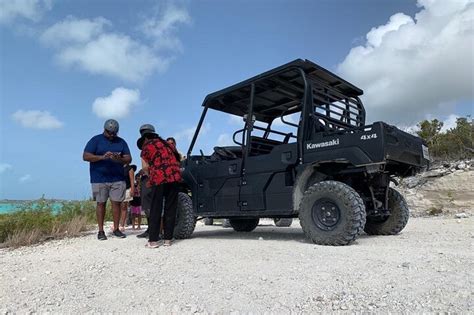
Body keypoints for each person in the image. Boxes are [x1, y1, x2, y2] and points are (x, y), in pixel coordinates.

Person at [83, 119, 131, 240]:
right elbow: (85, 156)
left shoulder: (121, 142)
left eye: (114, 133)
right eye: (109, 133)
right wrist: (102, 157)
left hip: (117, 178)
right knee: (101, 203)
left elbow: (128, 158)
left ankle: (116, 228)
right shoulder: (95, 140)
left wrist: (118, 158)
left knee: (116, 203)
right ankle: (100, 231)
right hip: (99, 178)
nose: (111, 135)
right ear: (104, 130)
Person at [137, 126, 182, 248]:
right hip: (174, 177)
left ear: (145, 138)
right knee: (170, 207)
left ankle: (153, 241)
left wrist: (150, 175)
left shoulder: (146, 147)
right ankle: (168, 239)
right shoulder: (168, 145)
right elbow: (178, 159)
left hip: (159, 177)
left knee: (156, 208)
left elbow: (145, 167)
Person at [119, 164, 137, 231]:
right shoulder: (118, 167)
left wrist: (132, 189)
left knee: (124, 206)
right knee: (117, 206)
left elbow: (132, 180)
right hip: (118, 189)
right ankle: (117, 223)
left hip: (127, 188)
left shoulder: (129, 168)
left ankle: (122, 224)